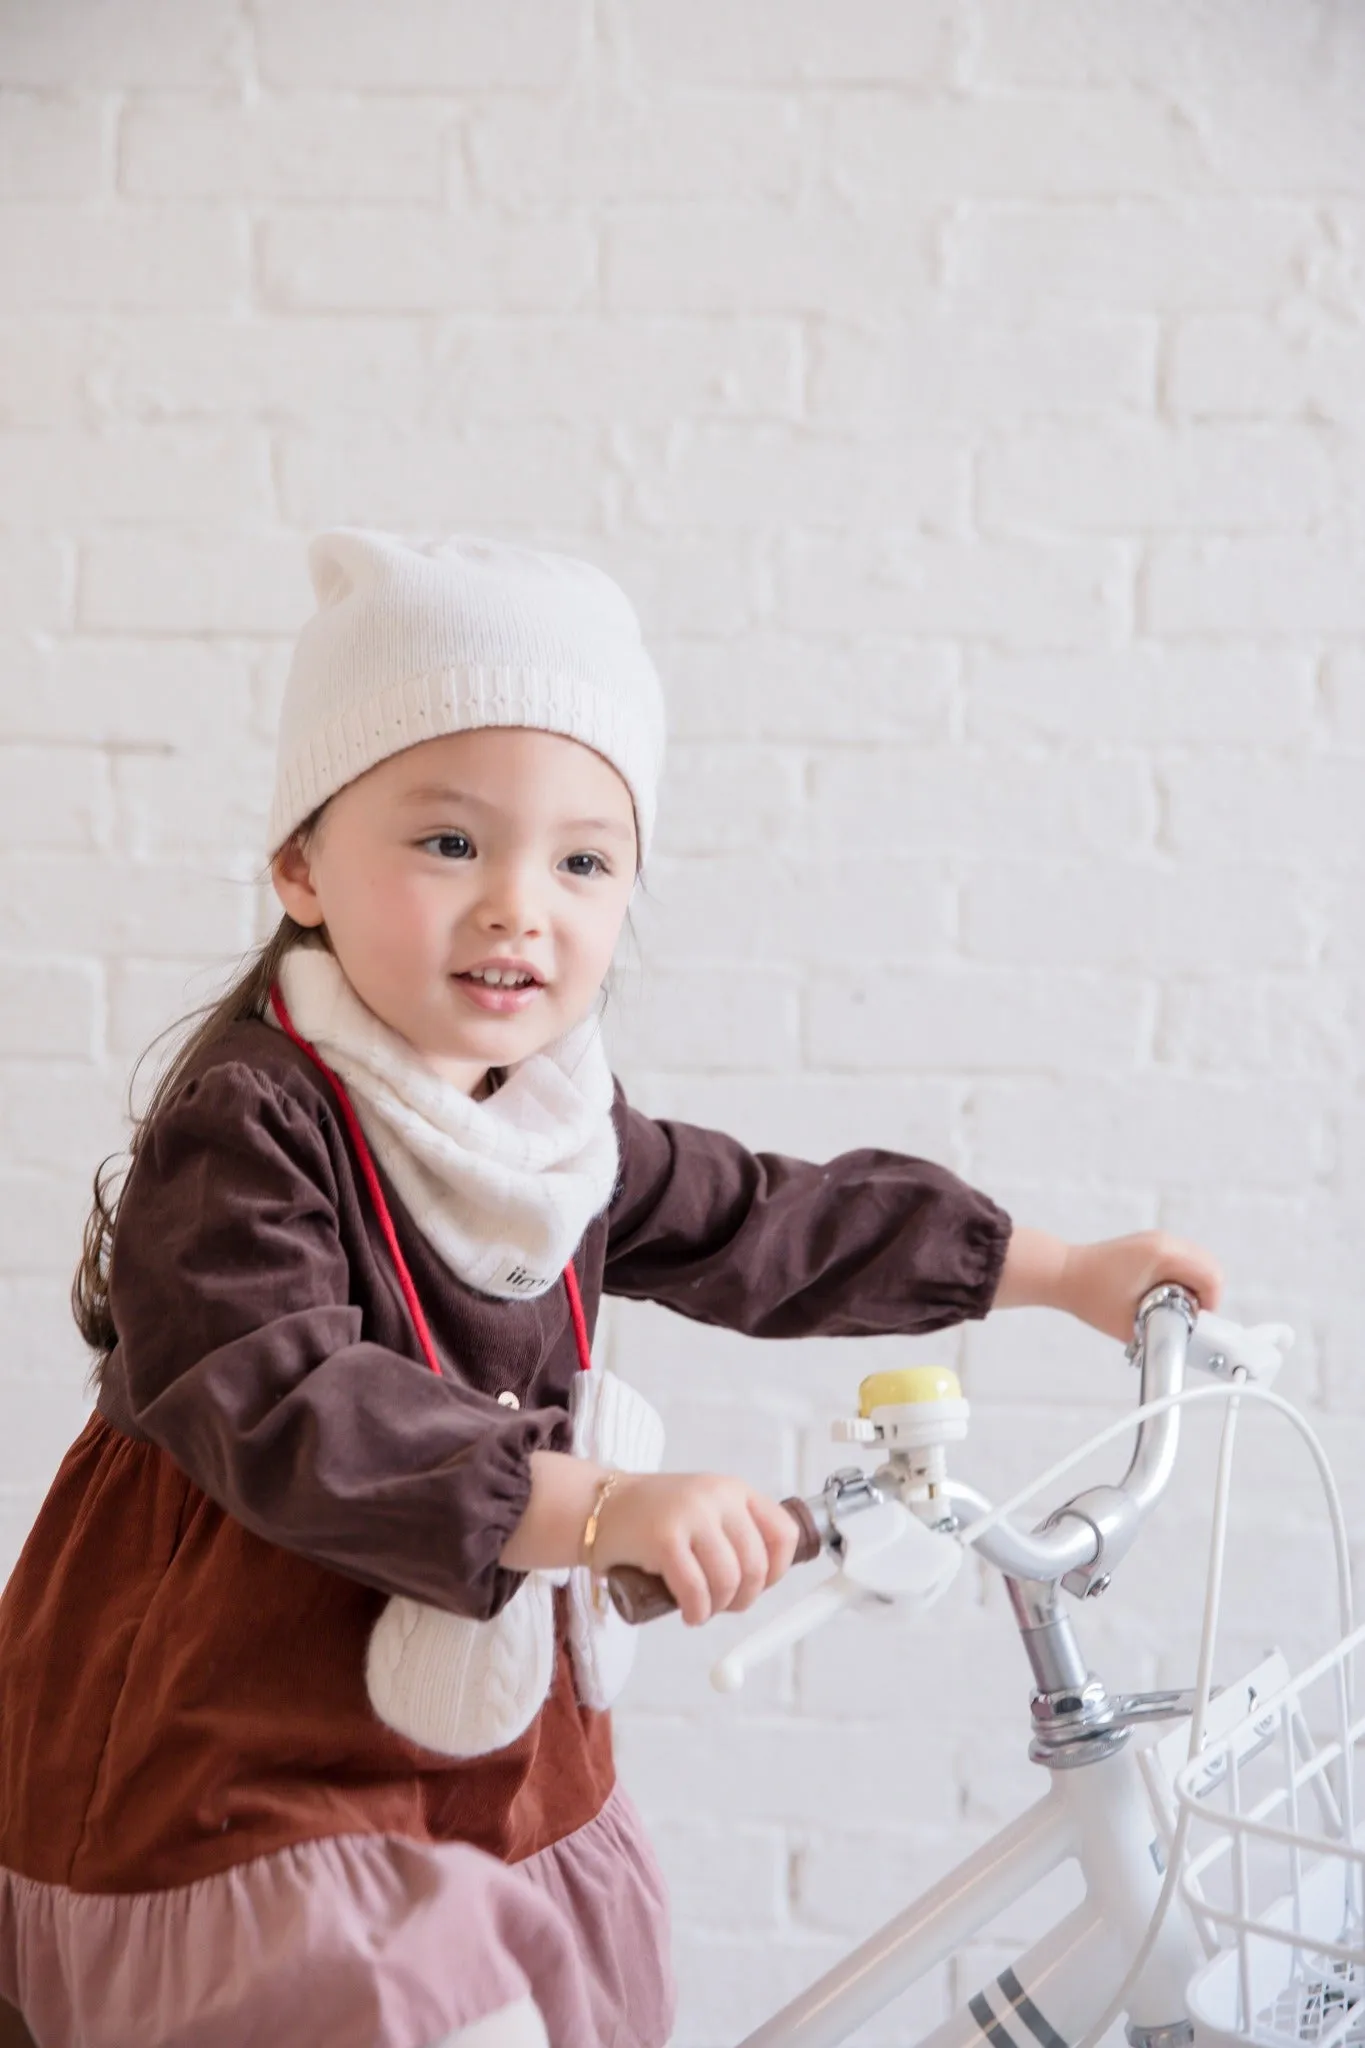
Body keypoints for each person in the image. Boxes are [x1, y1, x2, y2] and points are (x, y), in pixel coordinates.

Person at [0, 531, 1222, 2048]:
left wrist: (1055, 1273)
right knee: (370, 1992)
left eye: (581, 860)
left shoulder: (555, 1121)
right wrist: (592, 1508)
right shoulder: (252, 1121)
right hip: (240, 1718)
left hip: (485, 1718)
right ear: (302, 864)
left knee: (540, 1978)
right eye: (450, 843)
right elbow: (287, 1396)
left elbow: (768, 1218)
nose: (521, 905)